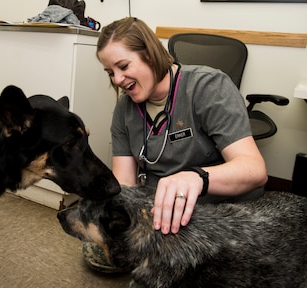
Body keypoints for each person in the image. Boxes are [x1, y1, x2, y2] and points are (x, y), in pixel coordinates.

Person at [82, 17, 268, 274]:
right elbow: (125, 185)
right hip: (159, 215)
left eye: (123, 66)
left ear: (150, 54)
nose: (117, 79)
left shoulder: (209, 87)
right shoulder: (124, 110)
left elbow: (254, 170)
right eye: (110, 72)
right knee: (99, 255)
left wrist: (196, 178)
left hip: (216, 212)